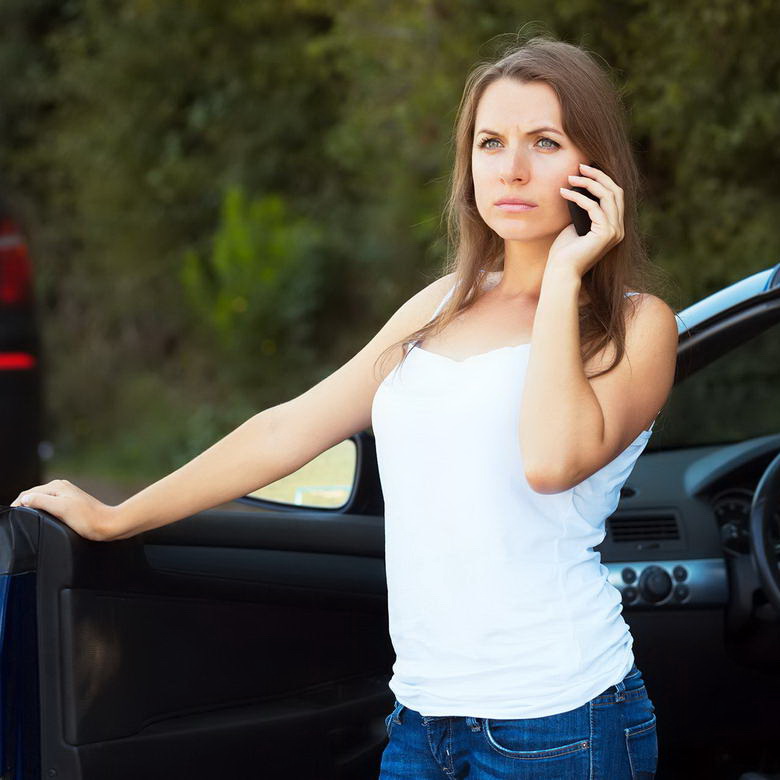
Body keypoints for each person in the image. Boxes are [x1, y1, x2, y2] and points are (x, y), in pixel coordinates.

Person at [10, 33, 677, 780]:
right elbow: (289, 428)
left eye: (544, 142)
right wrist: (118, 517)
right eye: (491, 142)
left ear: (595, 167)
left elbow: (551, 463)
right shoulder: (440, 304)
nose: (511, 168)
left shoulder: (637, 325)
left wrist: (561, 278)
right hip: (422, 721)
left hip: (566, 720)